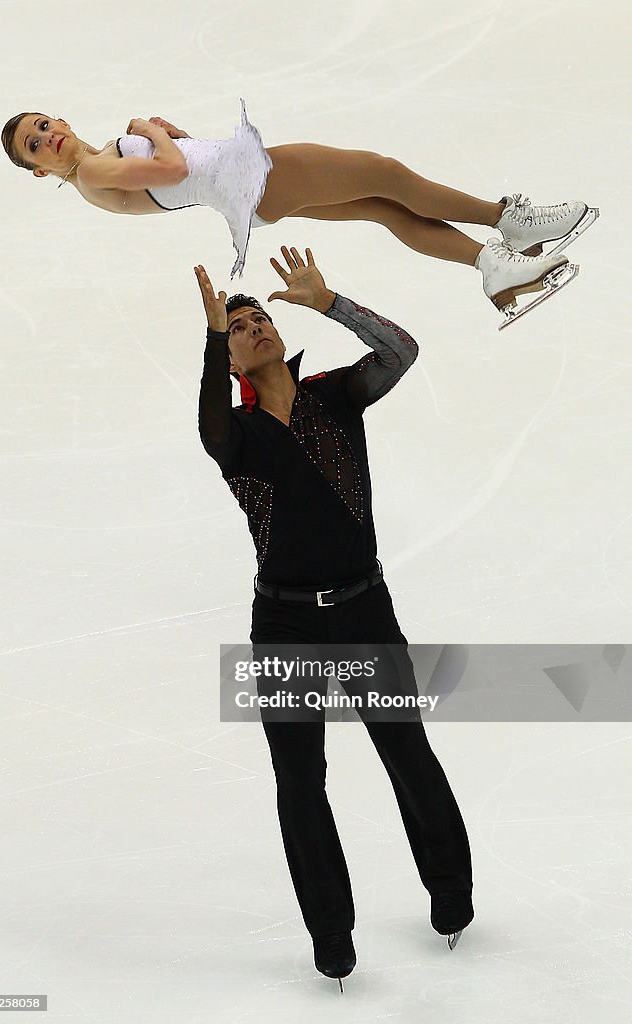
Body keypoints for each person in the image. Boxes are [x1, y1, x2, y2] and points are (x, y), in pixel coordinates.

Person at [195, 244, 474, 987]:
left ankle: (451, 890)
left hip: (363, 611)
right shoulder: (238, 436)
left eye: (258, 318)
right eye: (238, 327)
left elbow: (402, 351)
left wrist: (330, 303)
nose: (253, 327)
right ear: (227, 357)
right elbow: (209, 428)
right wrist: (211, 337)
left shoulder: (333, 394)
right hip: (283, 625)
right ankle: (331, 932)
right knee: (300, 778)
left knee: (406, 752)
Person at [1, 101, 597, 323]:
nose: (47, 137)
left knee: (386, 209)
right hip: (251, 177)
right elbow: (175, 170)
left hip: (247, 194)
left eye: (43, 125)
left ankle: (490, 266)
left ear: (59, 117)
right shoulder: (94, 170)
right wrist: (147, 128)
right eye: (35, 144)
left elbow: (174, 165)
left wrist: (163, 135)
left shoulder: (98, 164)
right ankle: (505, 222)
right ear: (36, 171)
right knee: (387, 174)